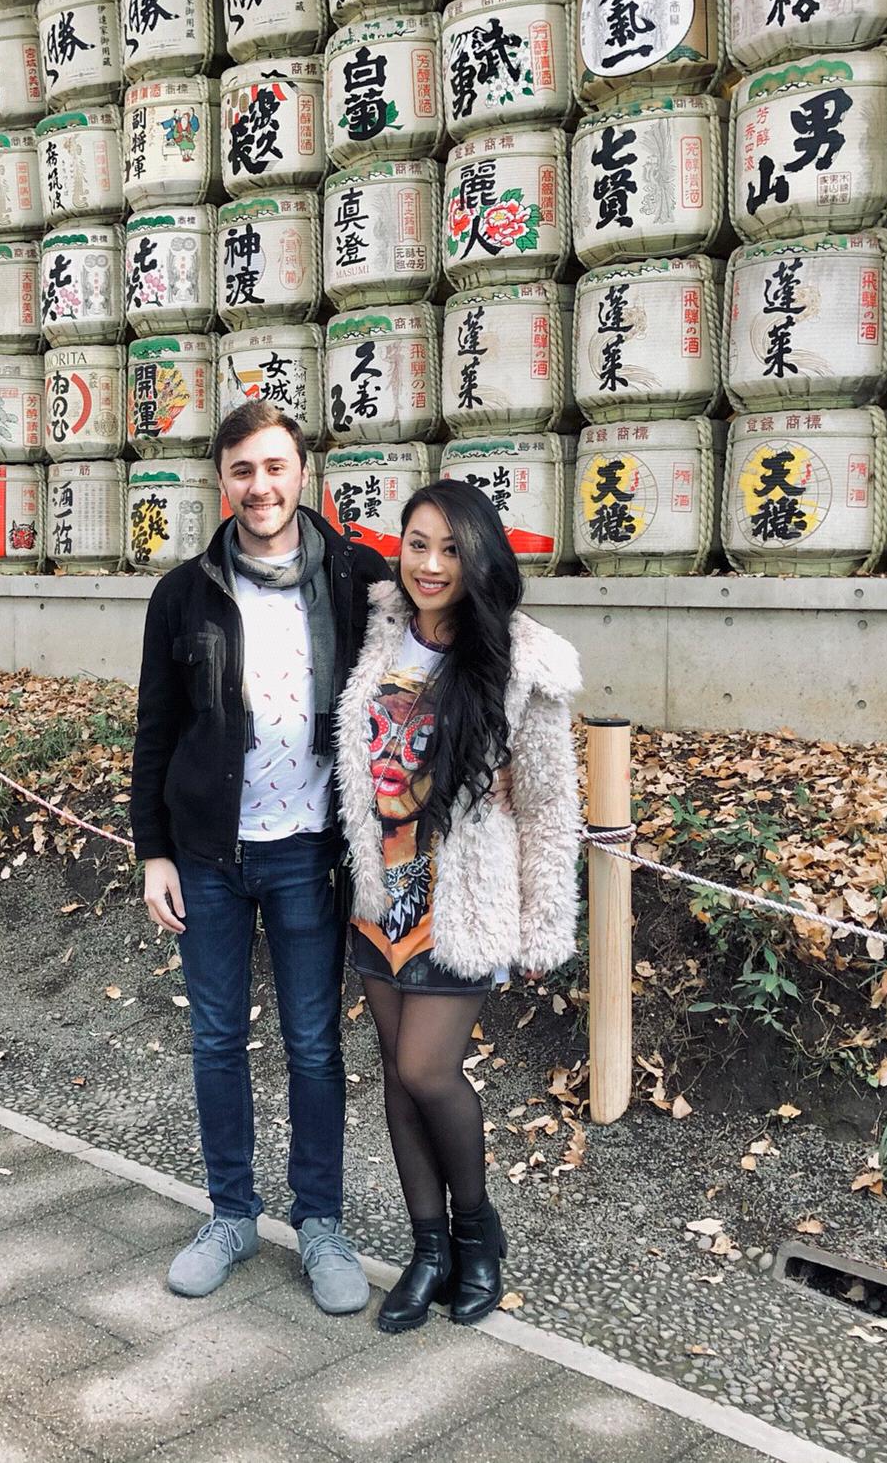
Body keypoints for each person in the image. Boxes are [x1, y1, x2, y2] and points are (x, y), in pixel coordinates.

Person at [130, 400, 392, 1313]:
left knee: (315, 1044)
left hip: (308, 855)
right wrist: (152, 851)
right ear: (222, 480)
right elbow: (155, 733)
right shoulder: (185, 591)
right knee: (215, 1038)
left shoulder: (358, 578)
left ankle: (319, 1222)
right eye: (243, 470)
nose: (261, 486)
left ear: (302, 471)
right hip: (208, 855)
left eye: (275, 467)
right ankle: (231, 1214)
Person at [333, 480, 582, 1332]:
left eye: (451, 548)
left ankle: (477, 1237)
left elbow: (550, 805)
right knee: (396, 1084)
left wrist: (546, 919)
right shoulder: (379, 631)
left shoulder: (522, 661)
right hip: (380, 888)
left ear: (481, 558)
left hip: (462, 894)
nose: (431, 564)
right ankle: (427, 1248)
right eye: (417, 544)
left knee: (424, 1071)